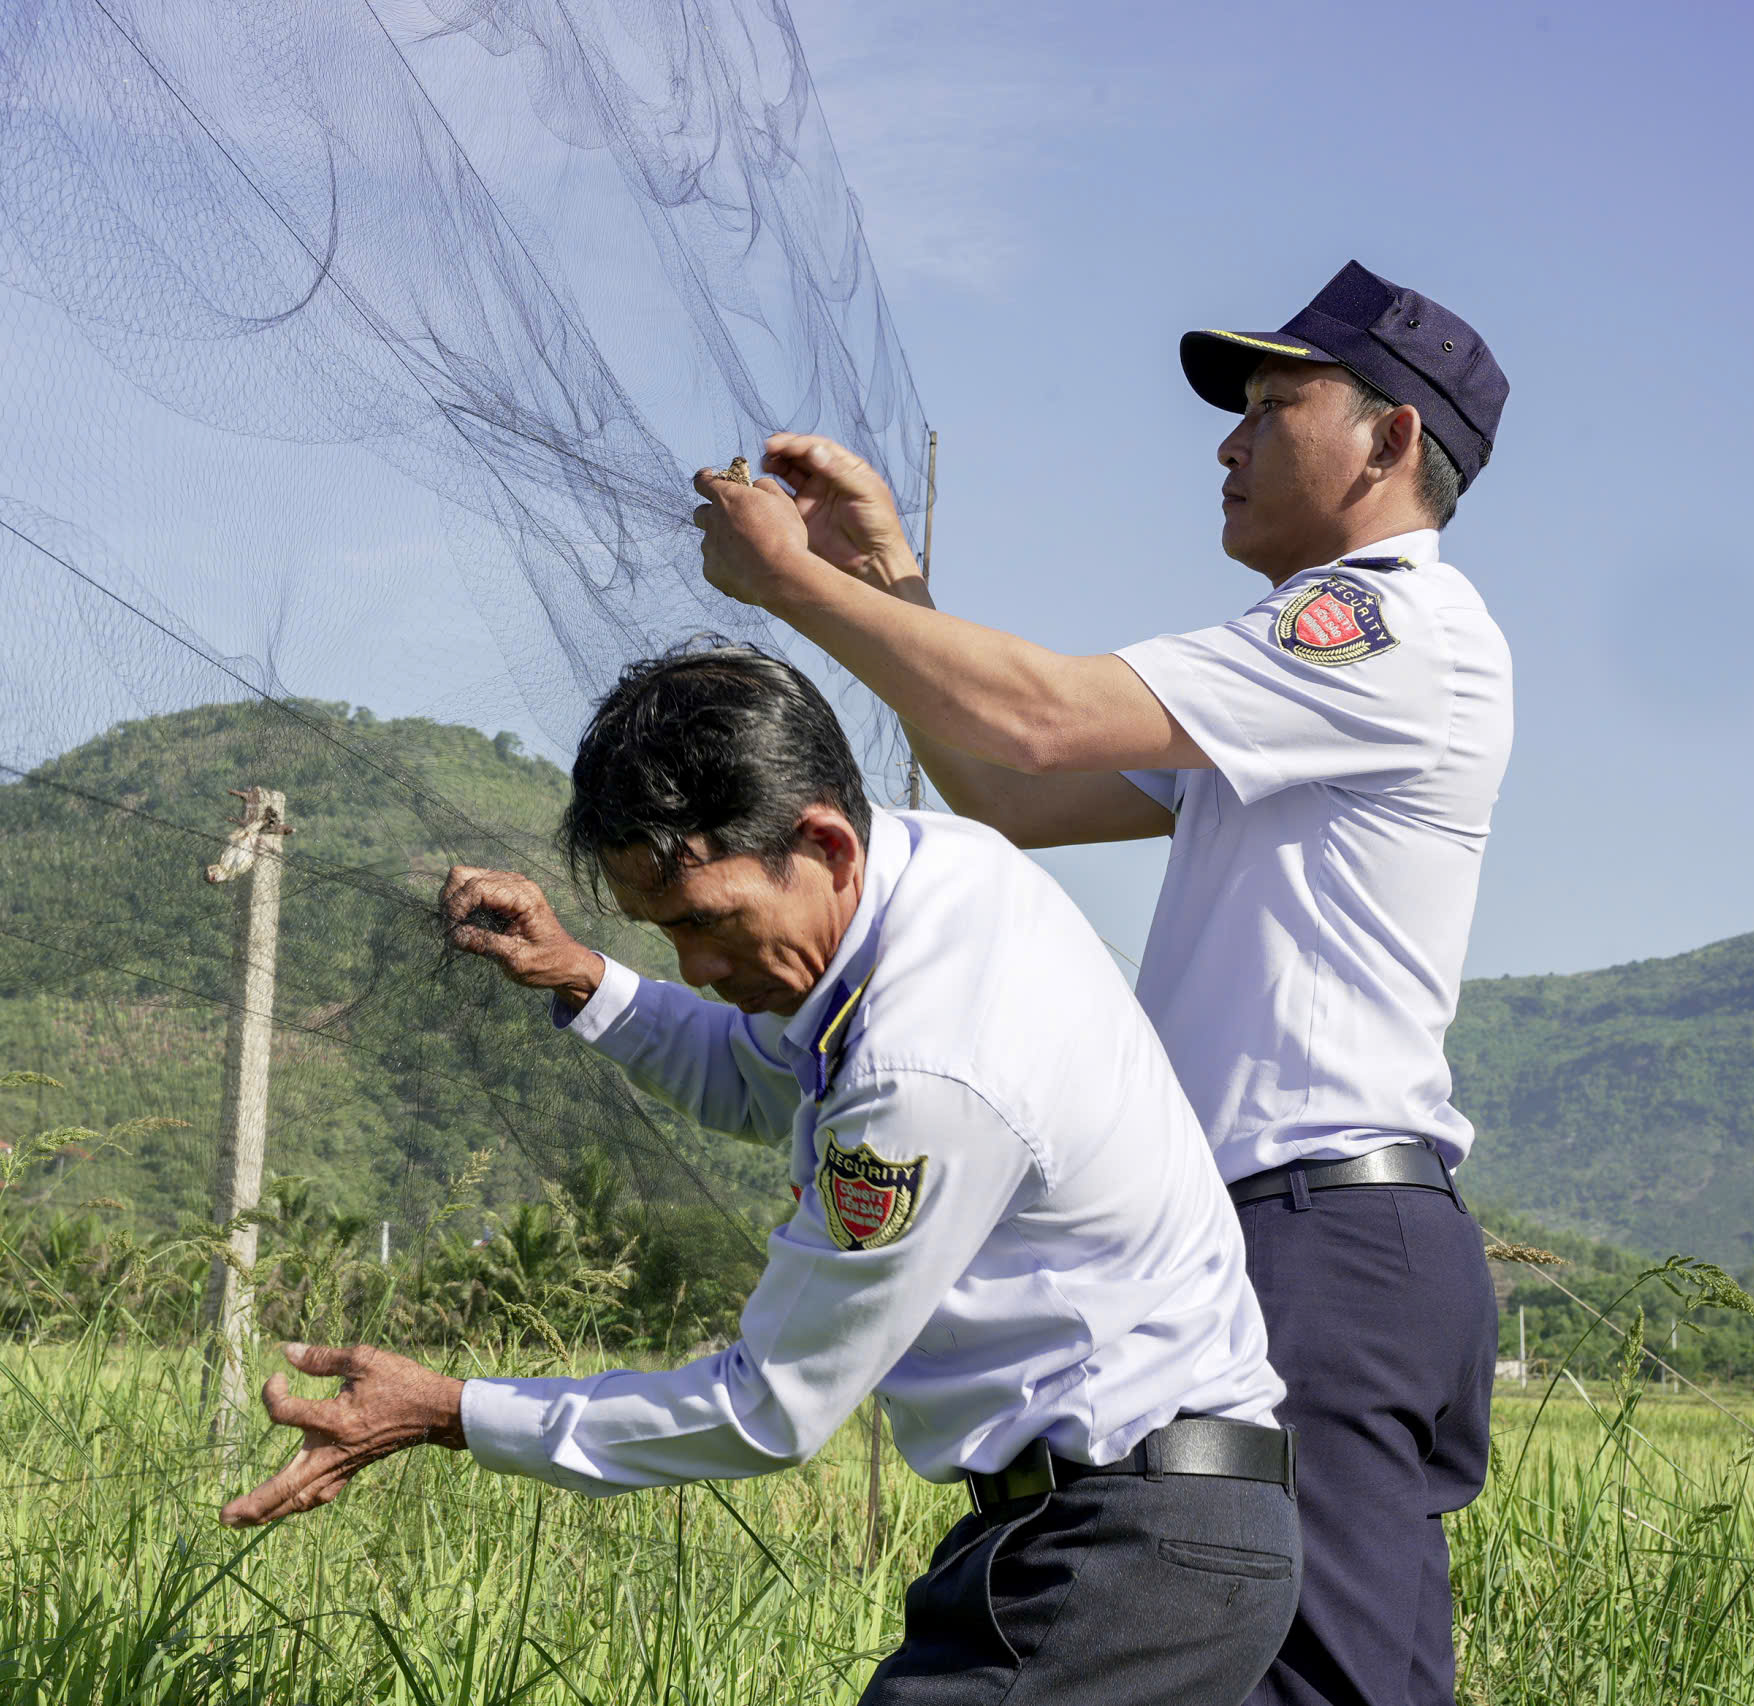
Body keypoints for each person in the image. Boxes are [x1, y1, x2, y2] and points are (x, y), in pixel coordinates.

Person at [688, 260, 1512, 1706]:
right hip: (1289, 1225)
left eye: (1275, 404)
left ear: (1390, 441)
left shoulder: (1387, 630)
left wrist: (798, 585)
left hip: (1318, 1221)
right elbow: (1015, 786)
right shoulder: (1303, 673)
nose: (1230, 440)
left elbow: (1040, 709)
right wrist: (890, 587)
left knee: (1327, 1684)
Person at [222, 642, 1300, 1704]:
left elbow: (769, 1406)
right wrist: (587, 977)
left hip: (1126, 1549)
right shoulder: (936, 875)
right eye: (659, 928)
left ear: (821, 839)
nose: (695, 963)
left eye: (706, 920)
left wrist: (455, 1409)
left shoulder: (925, 1064)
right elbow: (760, 1074)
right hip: (1117, 1531)